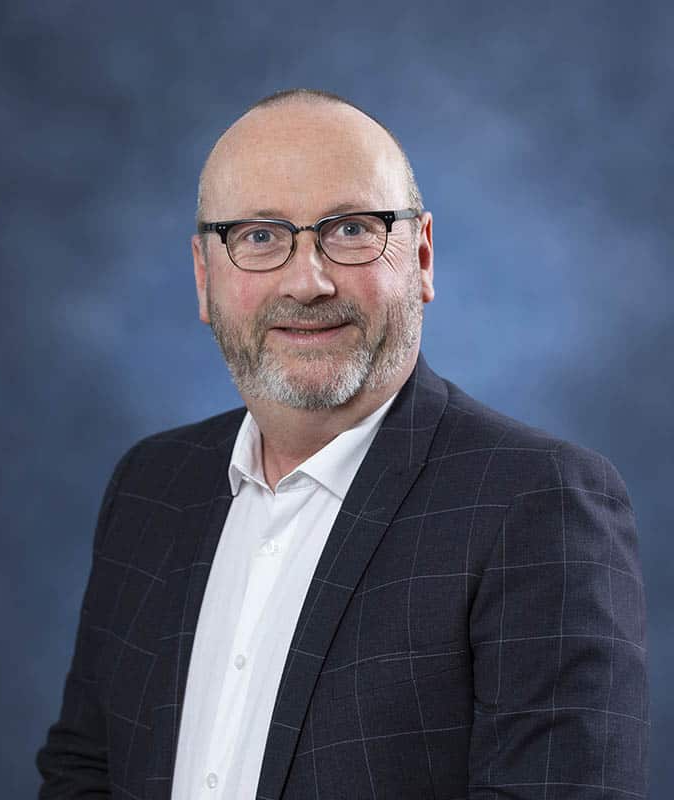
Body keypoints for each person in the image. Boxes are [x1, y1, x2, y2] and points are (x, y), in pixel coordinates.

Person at [36, 88, 649, 799]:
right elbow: (84, 771)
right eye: (259, 237)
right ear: (205, 278)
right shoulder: (150, 486)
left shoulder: (541, 502)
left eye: (351, 229)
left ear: (420, 257)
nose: (309, 281)